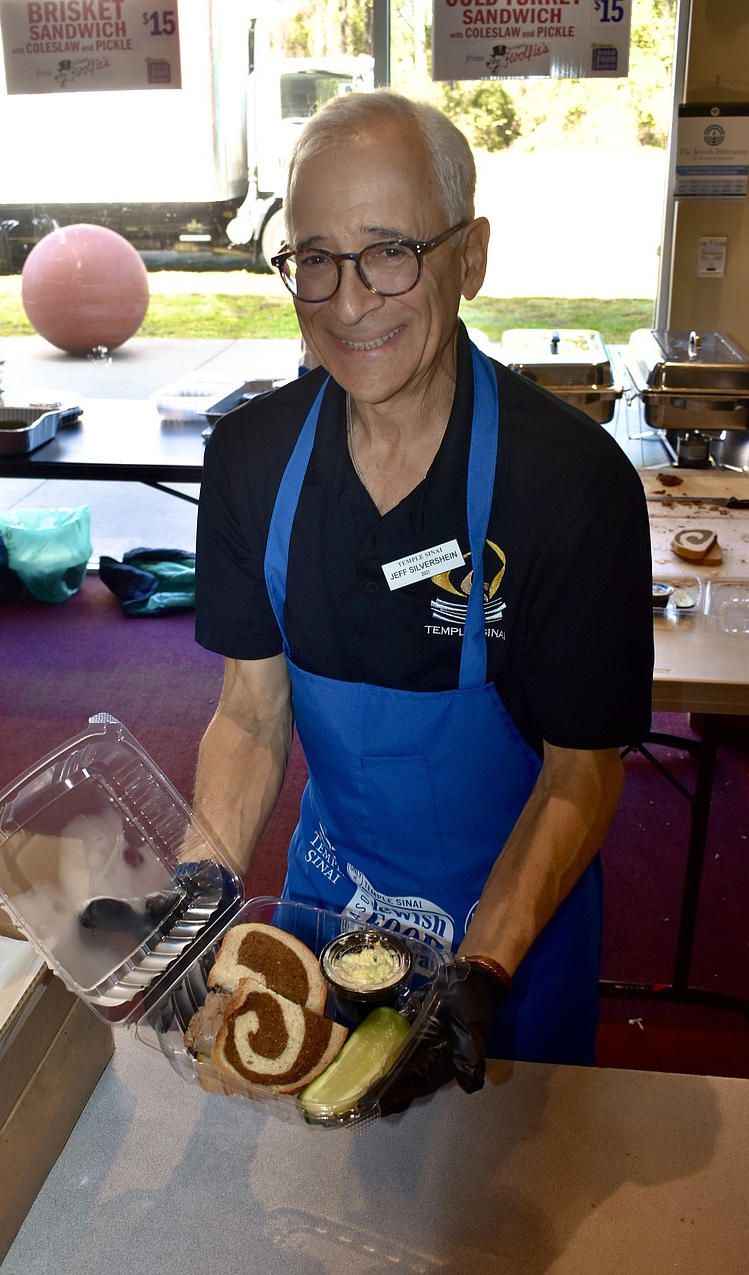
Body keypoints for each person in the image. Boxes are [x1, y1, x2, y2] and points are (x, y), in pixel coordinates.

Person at [191, 89, 653, 1103]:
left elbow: (583, 774)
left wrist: (481, 970)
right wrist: (196, 896)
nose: (348, 302)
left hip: (512, 943)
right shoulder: (250, 460)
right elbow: (249, 715)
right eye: (314, 257)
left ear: (469, 257)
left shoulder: (569, 487)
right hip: (332, 912)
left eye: (389, 249)